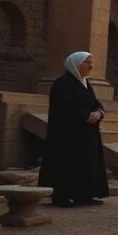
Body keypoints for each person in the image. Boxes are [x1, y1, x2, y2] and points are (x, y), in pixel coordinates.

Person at [38, 51, 109, 207]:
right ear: (75, 64)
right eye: (87, 62)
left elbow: (96, 102)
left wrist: (99, 112)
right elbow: (65, 106)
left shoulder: (85, 83)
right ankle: (62, 196)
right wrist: (86, 116)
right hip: (68, 133)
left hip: (86, 132)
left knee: (85, 163)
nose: (91, 66)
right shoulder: (63, 83)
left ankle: (83, 194)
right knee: (67, 163)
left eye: (91, 62)